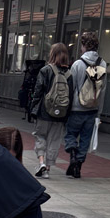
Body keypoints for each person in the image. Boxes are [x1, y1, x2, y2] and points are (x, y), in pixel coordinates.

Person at [63, 31, 106, 178]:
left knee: (70, 134)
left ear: (84, 45)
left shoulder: (77, 64)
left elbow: (72, 87)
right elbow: (102, 89)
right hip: (93, 107)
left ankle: (73, 155)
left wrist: (68, 107)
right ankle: (78, 166)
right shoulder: (102, 64)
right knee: (86, 138)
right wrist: (99, 110)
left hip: (76, 107)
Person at [31, 42, 71, 178]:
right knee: (54, 140)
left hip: (44, 111)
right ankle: (48, 168)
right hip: (61, 114)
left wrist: (33, 107)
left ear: (52, 54)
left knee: (40, 135)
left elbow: (38, 90)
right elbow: (71, 95)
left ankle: (41, 162)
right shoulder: (69, 74)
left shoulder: (45, 70)